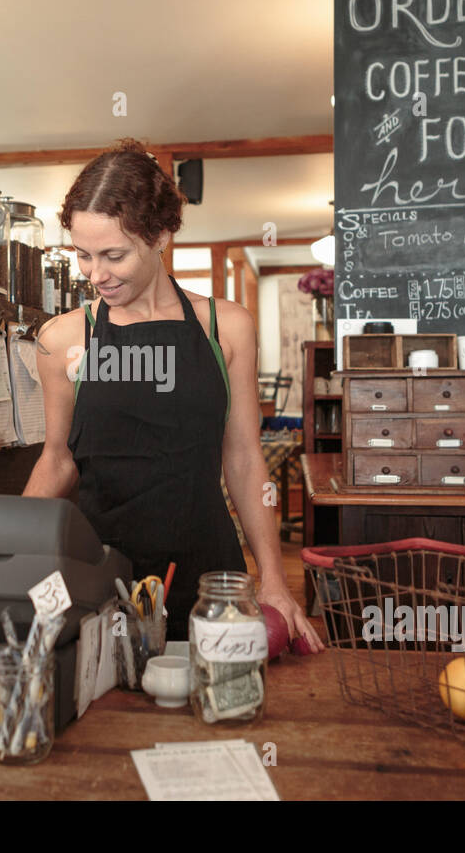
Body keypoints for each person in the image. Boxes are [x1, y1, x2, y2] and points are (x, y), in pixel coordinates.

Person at [23, 139, 322, 649]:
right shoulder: (63, 339)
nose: (96, 275)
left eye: (114, 255)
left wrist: (274, 579)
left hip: (207, 577)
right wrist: (4, 551)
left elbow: (246, 459)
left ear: (161, 234)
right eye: (83, 256)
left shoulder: (223, 327)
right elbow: (59, 460)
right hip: (101, 579)